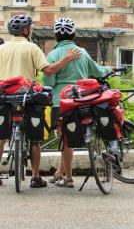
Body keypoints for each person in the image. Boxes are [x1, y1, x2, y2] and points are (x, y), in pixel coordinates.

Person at [0, 14, 80, 188]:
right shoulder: (32, 48)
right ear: (26, 30)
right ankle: (35, 177)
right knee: (35, 139)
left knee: (1, 138)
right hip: (27, 98)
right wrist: (67, 58)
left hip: (4, 97)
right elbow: (49, 71)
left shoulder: (2, 49)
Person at [44, 17, 112, 188]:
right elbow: (97, 71)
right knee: (68, 139)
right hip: (82, 100)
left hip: (61, 102)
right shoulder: (83, 52)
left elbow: (48, 83)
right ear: (74, 34)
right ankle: (59, 173)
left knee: (66, 139)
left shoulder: (52, 55)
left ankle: (68, 178)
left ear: (56, 35)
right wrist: (109, 69)